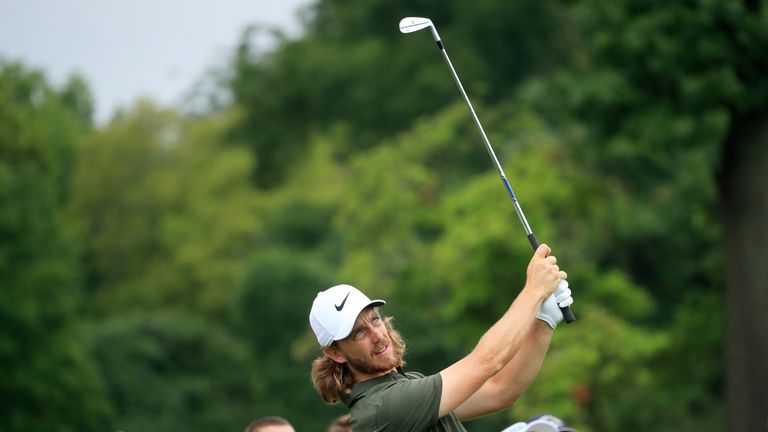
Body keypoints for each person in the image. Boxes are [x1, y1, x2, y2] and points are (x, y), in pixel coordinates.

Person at [308, 244, 574, 432]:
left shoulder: (406, 386)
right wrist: (533, 291)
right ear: (336, 353)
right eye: (359, 333)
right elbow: (486, 363)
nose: (377, 335)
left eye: (374, 319)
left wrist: (544, 319)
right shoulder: (382, 407)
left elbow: (500, 390)